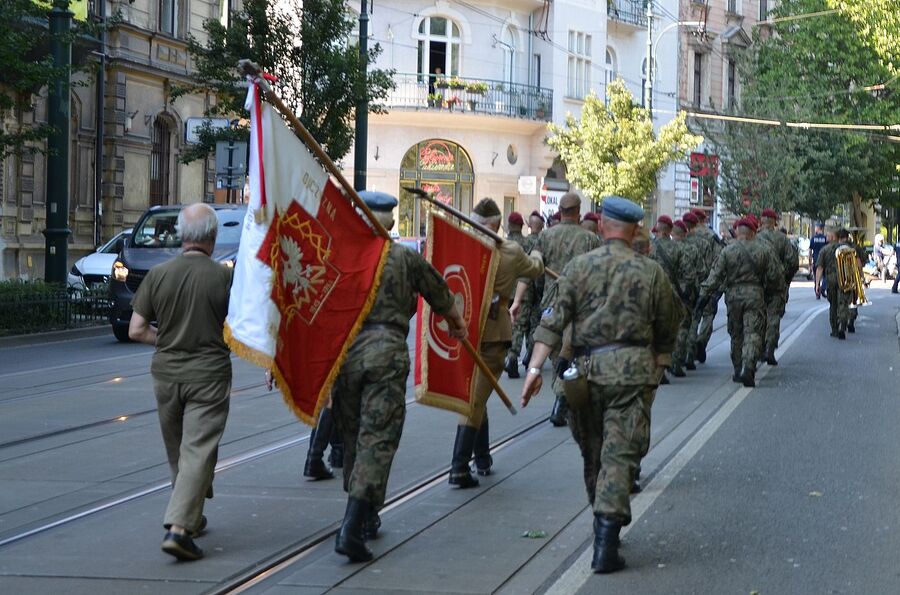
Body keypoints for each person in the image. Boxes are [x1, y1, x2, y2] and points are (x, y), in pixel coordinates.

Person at [521, 196, 680, 574]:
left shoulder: (578, 268)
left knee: (594, 452)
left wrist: (533, 369)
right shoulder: (651, 271)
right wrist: (660, 361)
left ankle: (604, 527)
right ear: (634, 230)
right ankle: (605, 540)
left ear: (604, 226)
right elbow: (668, 323)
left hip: (586, 373)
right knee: (619, 453)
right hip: (631, 374)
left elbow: (552, 322)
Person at [331, 191, 467, 562]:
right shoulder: (404, 257)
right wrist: (457, 325)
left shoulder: (340, 255)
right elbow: (441, 294)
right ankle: (352, 526)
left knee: (353, 434)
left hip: (345, 354)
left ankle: (364, 514)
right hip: (386, 352)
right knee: (378, 438)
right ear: (390, 222)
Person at [129, 203, 234, 561]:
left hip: (166, 376)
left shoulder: (158, 275)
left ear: (181, 236)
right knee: (198, 451)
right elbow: (240, 329)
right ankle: (179, 529)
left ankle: (192, 515)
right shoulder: (223, 277)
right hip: (208, 375)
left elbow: (136, 330)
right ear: (213, 236)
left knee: (180, 453)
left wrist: (169, 340)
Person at [449, 199, 544, 488]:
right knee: (475, 397)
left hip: (464, 331)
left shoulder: (460, 247)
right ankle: (459, 468)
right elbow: (535, 269)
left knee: (478, 392)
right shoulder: (512, 252)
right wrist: (538, 251)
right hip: (492, 333)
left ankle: (481, 459)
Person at [532, 192, 602, 426]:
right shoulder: (589, 239)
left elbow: (534, 268)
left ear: (560, 212)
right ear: (577, 211)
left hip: (551, 303)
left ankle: (562, 396)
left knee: (556, 355)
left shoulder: (545, 236)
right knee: (571, 354)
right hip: (578, 304)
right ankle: (562, 399)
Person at [696, 218, 782, 388]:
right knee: (753, 333)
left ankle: (737, 369)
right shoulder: (763, 250)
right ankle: (748, 368)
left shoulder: (728, 251)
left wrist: (703, 296)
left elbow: (715, 276)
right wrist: (772, 293)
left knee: (736, 334)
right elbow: (775, 276)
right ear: (753, 233)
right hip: (755, 295)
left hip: (733, 297)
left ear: (738, 232)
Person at [756, 209, 798, 365]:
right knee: (773, 317)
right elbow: (793, 262)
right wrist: (784, 277)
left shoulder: (755, 238)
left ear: (761, 220)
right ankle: (770, 349)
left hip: (759, 285)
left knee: (758, 317)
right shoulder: (782, 239)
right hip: (777, 284)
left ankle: (758, 348)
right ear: (774, 222)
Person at [651, 215, 691, 377]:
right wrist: (685, 291)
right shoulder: (678, 248)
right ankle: (675, 362)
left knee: (654, 328)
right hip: (673, 290)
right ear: (670, 230)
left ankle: (657, 369)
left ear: (658, 228)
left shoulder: (650, 247)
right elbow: (688, 273)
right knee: (679, 326)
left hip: (653, 290)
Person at [690, 208, 724, 364]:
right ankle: (701, 342)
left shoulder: (685, 235)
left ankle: (689, 348)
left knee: (692, 316)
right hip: (708, 281)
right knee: (708, 315)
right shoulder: (711, 236)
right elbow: (719, 260)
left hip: (688, 283)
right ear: (704, 219)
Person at [671, 220, 702, 377]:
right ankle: (678, 360)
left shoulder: (659, 247)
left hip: (663, 291)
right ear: (685, 233)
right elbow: (699, 272)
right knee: (684, 327)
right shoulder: (691, 249)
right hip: (684, 293)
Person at [816, 228, 857, 339]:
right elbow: (855, 265)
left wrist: (817, 284)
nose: (826, 237)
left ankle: (834, 329)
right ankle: (843, 326)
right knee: (843, 303)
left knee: (833, 305)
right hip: (845, 279)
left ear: (833, 237)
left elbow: (820, 268)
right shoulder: (847, 249)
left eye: (828, 236)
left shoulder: (825, 250)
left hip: (831, 280)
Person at [504, 211, 529, 378]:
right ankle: (513, 358)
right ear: (521, 226)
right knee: (519, 327)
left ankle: (507, 356)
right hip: (523, 292)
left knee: (506, 326)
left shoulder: (502, 244)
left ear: (508, 226)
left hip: (505, 291)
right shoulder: (526, 244)